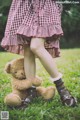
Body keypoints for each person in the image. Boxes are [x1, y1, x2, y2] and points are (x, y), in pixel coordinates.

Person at [1, 0, 77, 106]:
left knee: (36, 46)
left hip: (44, 4)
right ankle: (31, 91)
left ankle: (62, 89)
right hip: (24, 4)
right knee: (27, 50)